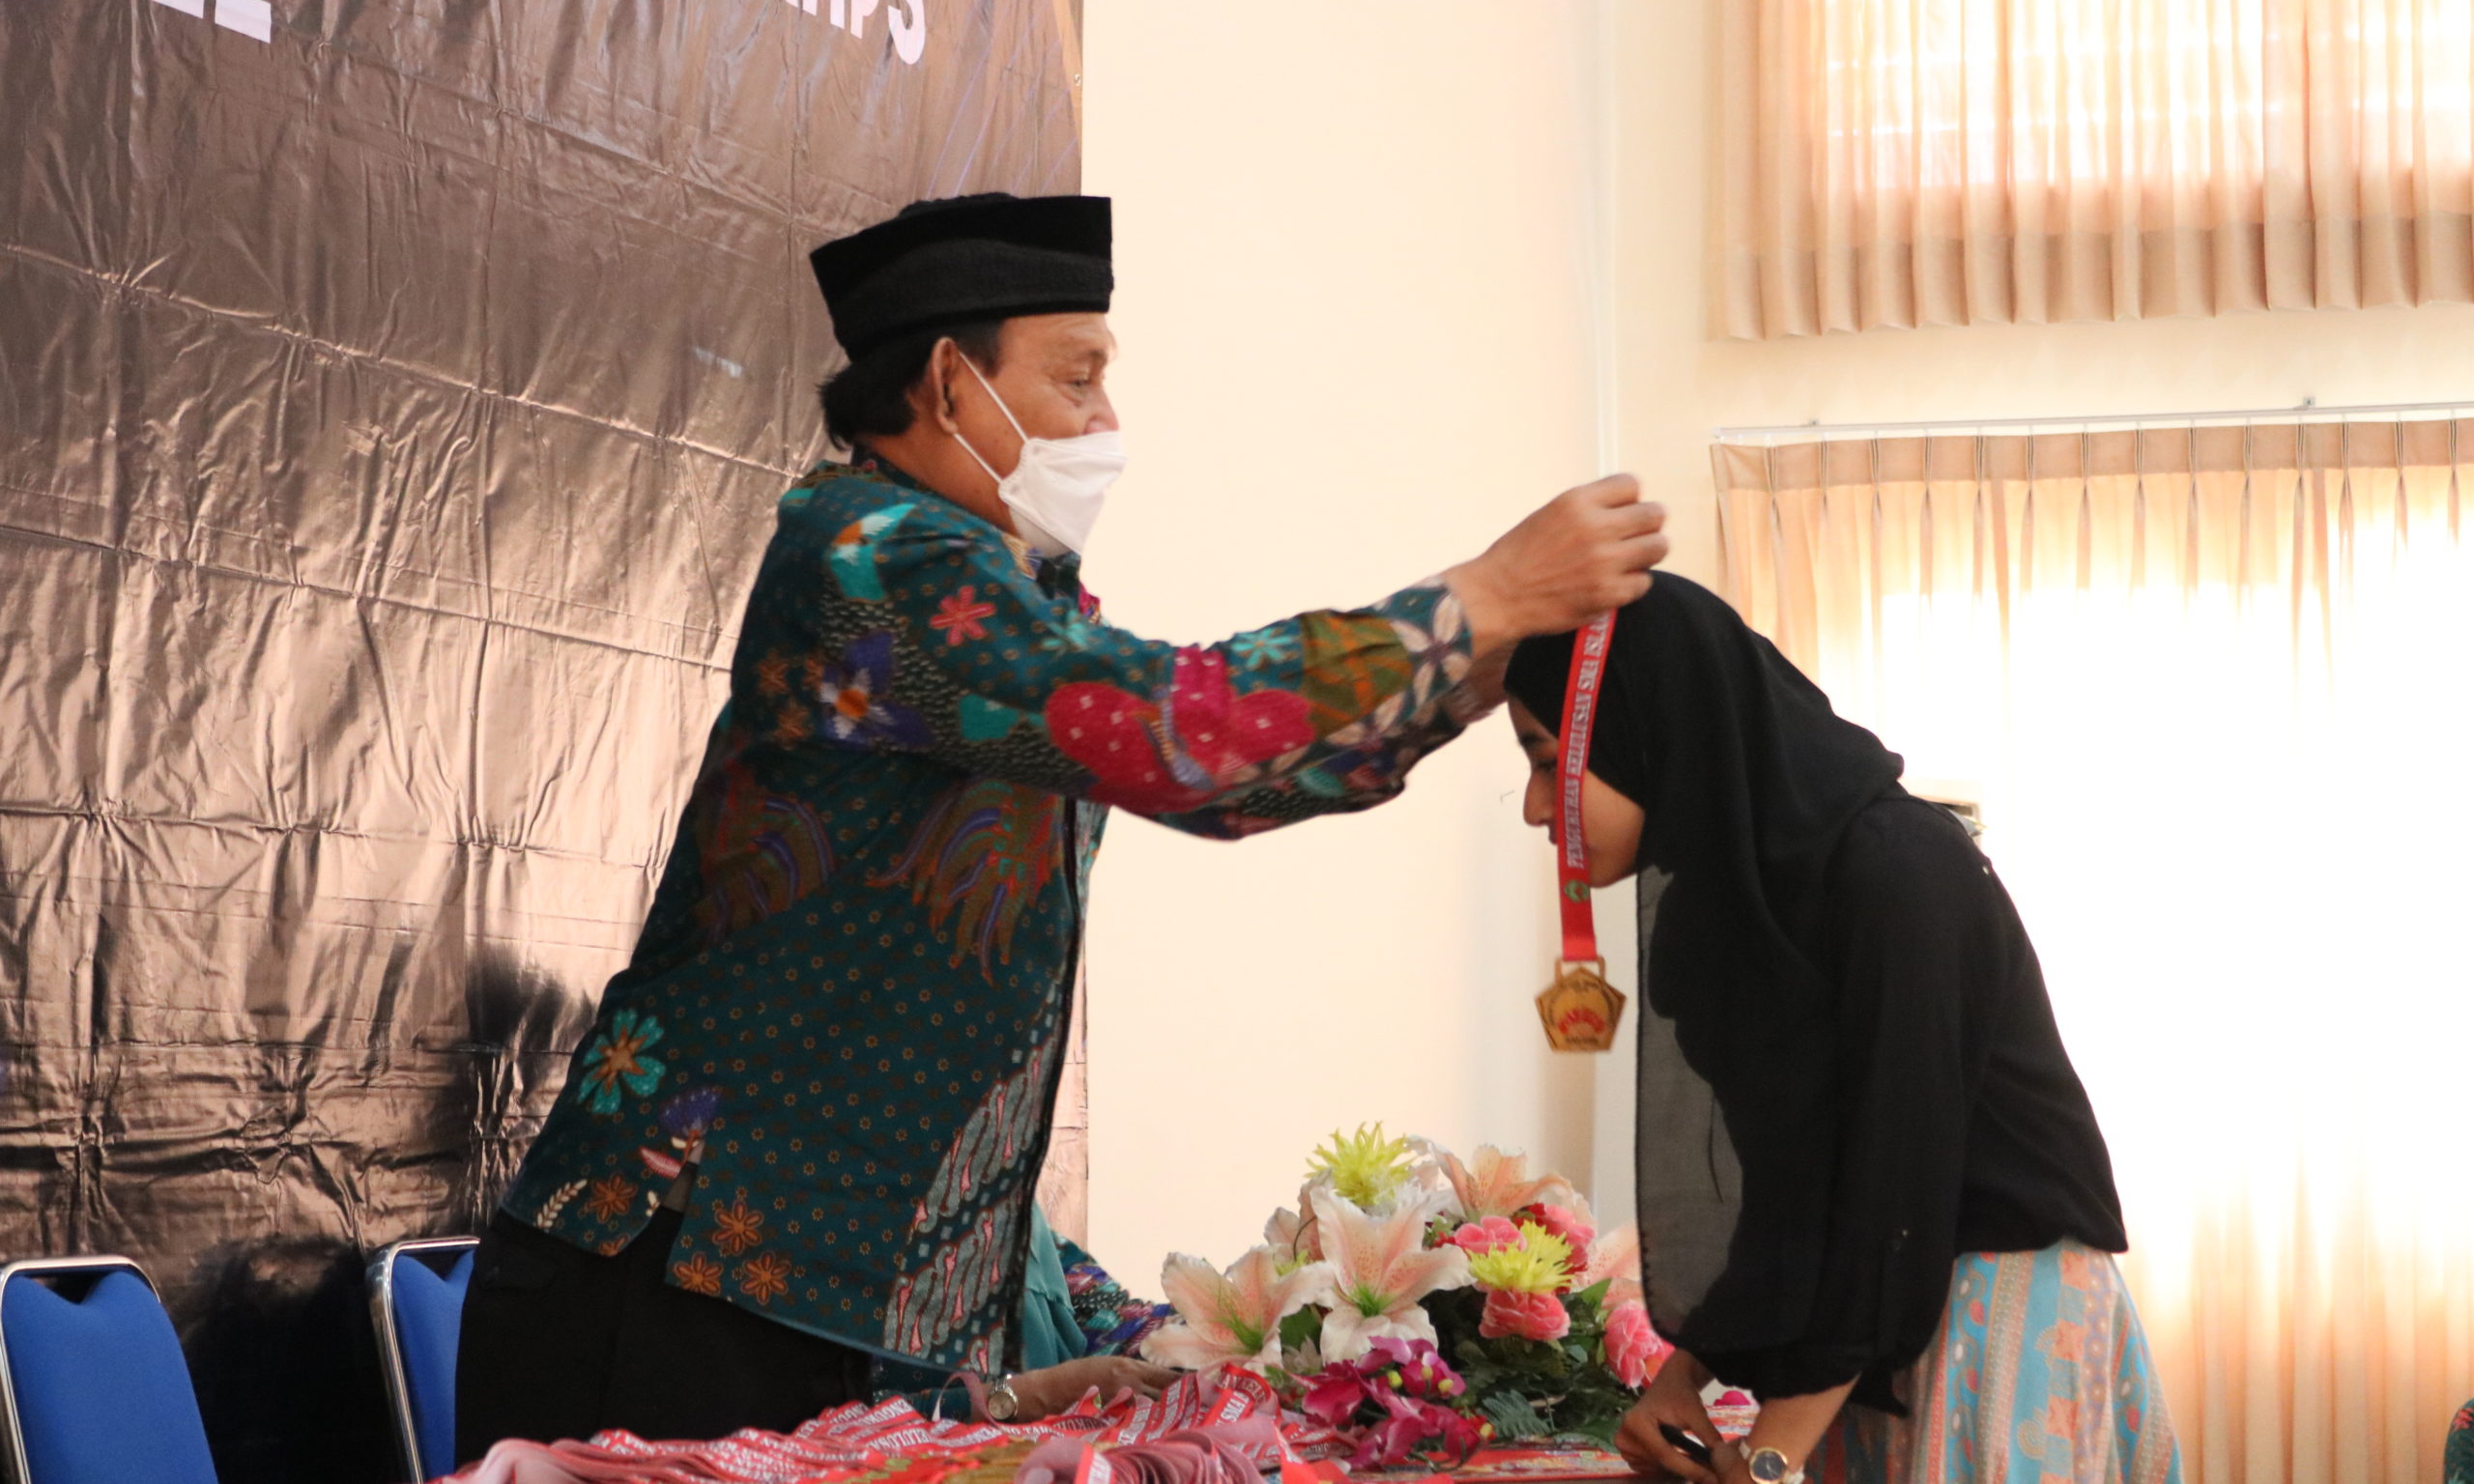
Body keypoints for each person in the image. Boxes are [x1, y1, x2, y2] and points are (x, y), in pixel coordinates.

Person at [454, 191, 1671, 1460]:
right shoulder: (872, 554)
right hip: (676, 1271)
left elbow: (1226, 781)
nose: (1108, 424)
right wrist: (1477, 598)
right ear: (949, 383)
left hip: (811, 1298)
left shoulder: (1007, 596)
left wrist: (1470, 674)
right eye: (1078, 378)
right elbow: (1170, 728)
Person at [1501, 574, 2181, 1484]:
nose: (1535, 807)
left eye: (1550, 761)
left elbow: (1893, 1192)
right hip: (1861, 1344)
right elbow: (1790, 1194)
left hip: (1990, 1324)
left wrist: (1772, 1455)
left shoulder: (1901, 866)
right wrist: (1682, 1378)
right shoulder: (1728, 920)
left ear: (1639, 730)